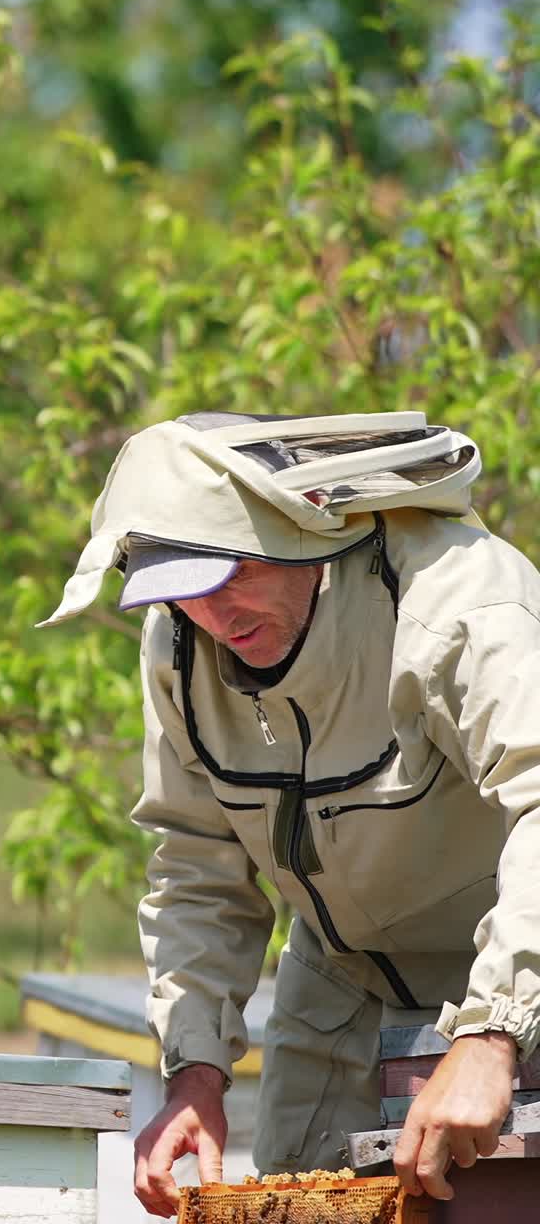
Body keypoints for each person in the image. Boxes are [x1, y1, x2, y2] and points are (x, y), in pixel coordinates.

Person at [40, 411, 540, 1215]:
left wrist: (494, 1034)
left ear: (301, 534)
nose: (215, 615)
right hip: (342, 971)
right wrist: (195, 1073)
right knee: (295, 1203)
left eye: (230, 576)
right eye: (180, 592)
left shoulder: (459, 601)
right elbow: (197, 860)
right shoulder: (179, 648)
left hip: (519, 964)